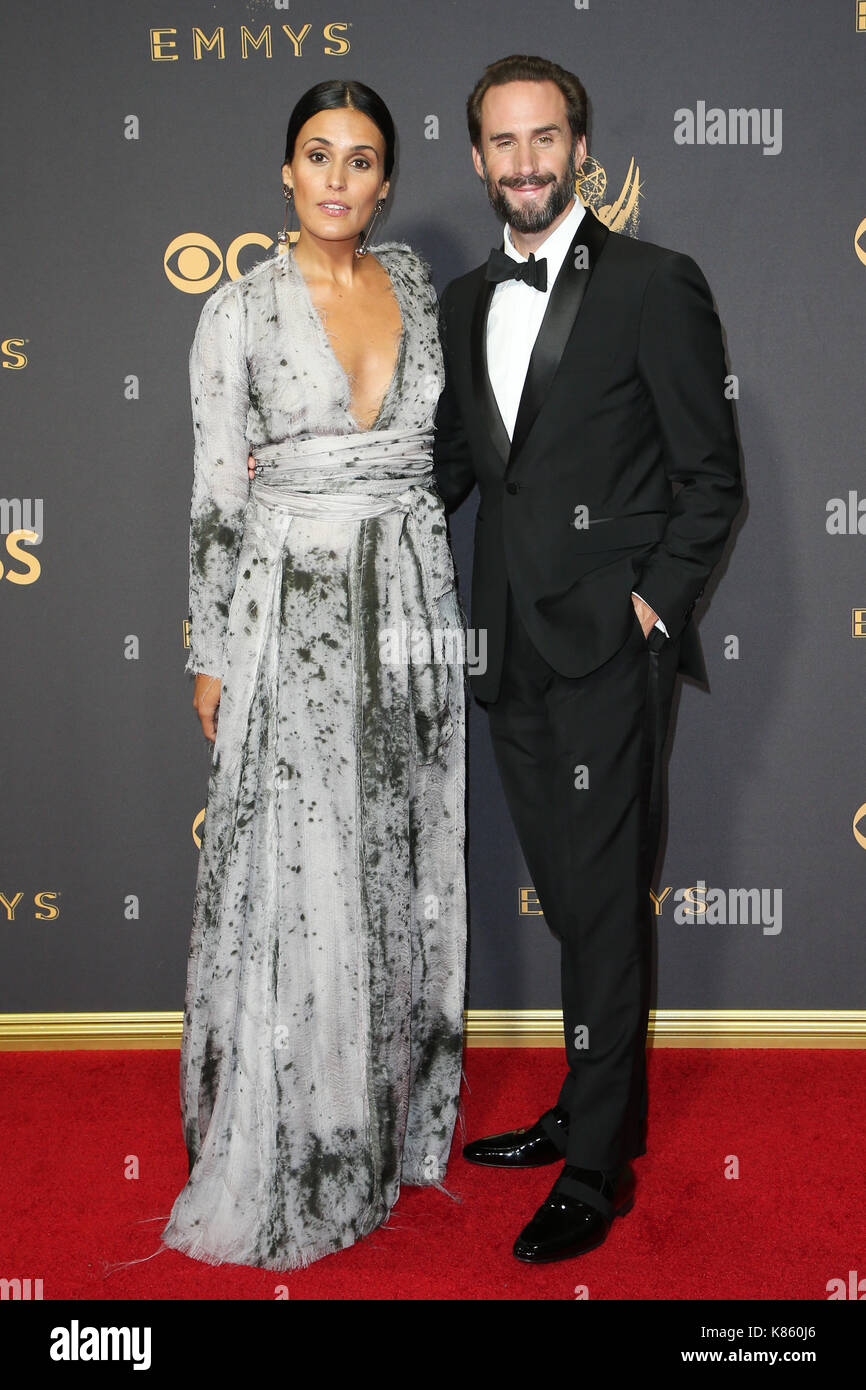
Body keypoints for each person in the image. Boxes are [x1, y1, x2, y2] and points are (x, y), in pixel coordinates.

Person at [433, 55, 742, 1263]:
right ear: (475, 157)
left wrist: (649, 613)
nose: (523, 162)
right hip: (505, 643)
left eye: (543, 138)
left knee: (605, 907)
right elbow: (457, 467)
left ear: (578, 146)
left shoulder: (656, 285)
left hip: (609, 651)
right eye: (501, 143)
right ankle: (582, 1104)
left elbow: (710, 477)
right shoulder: (463, 301)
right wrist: (321, 487)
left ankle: (599, 1169)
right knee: (574, 901)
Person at [161, 80, 467, 1272]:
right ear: (285, 174)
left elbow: (428, 465)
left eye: (361, 159)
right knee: (302, 868)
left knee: (397, 851)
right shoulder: (236, 312)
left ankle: (385, 1128)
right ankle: (296, 1139)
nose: (337, 177)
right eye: (316, 155)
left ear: (386, 182)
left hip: (411, 602)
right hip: (287, 611)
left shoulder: (418, 292)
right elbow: (214, 495)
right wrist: (209, 649)